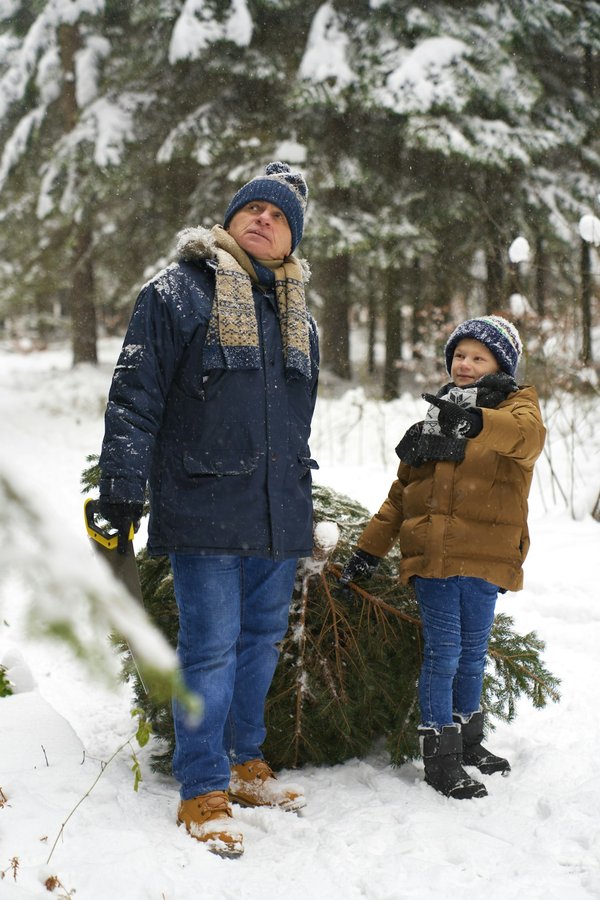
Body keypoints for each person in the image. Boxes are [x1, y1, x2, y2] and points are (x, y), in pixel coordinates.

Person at [97, 161, 319, 856]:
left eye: (279, 216)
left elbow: (297, 423)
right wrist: (122, 485)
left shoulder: (301, 321)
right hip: (204, 504)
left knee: (260, 643)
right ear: (228, 220)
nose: (263, 219)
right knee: (211, 648)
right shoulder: (175, 294)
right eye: (253, 208)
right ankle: (201, 788)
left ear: (292, 239)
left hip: (277, 512)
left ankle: (245, 760)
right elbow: (135, 395)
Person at [340, 315, 545, 799]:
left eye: (479, 357)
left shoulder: (520, 409)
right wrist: (368, 551)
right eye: (459, 355)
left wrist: (475, 421)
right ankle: (441, 756)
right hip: (433, 556)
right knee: (445, 653)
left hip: (487, 555)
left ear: (502, 364)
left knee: (473, 654)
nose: (465, 364)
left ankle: (469, 741)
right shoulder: (435, 418)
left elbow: (524, 441)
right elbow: (401, 494)